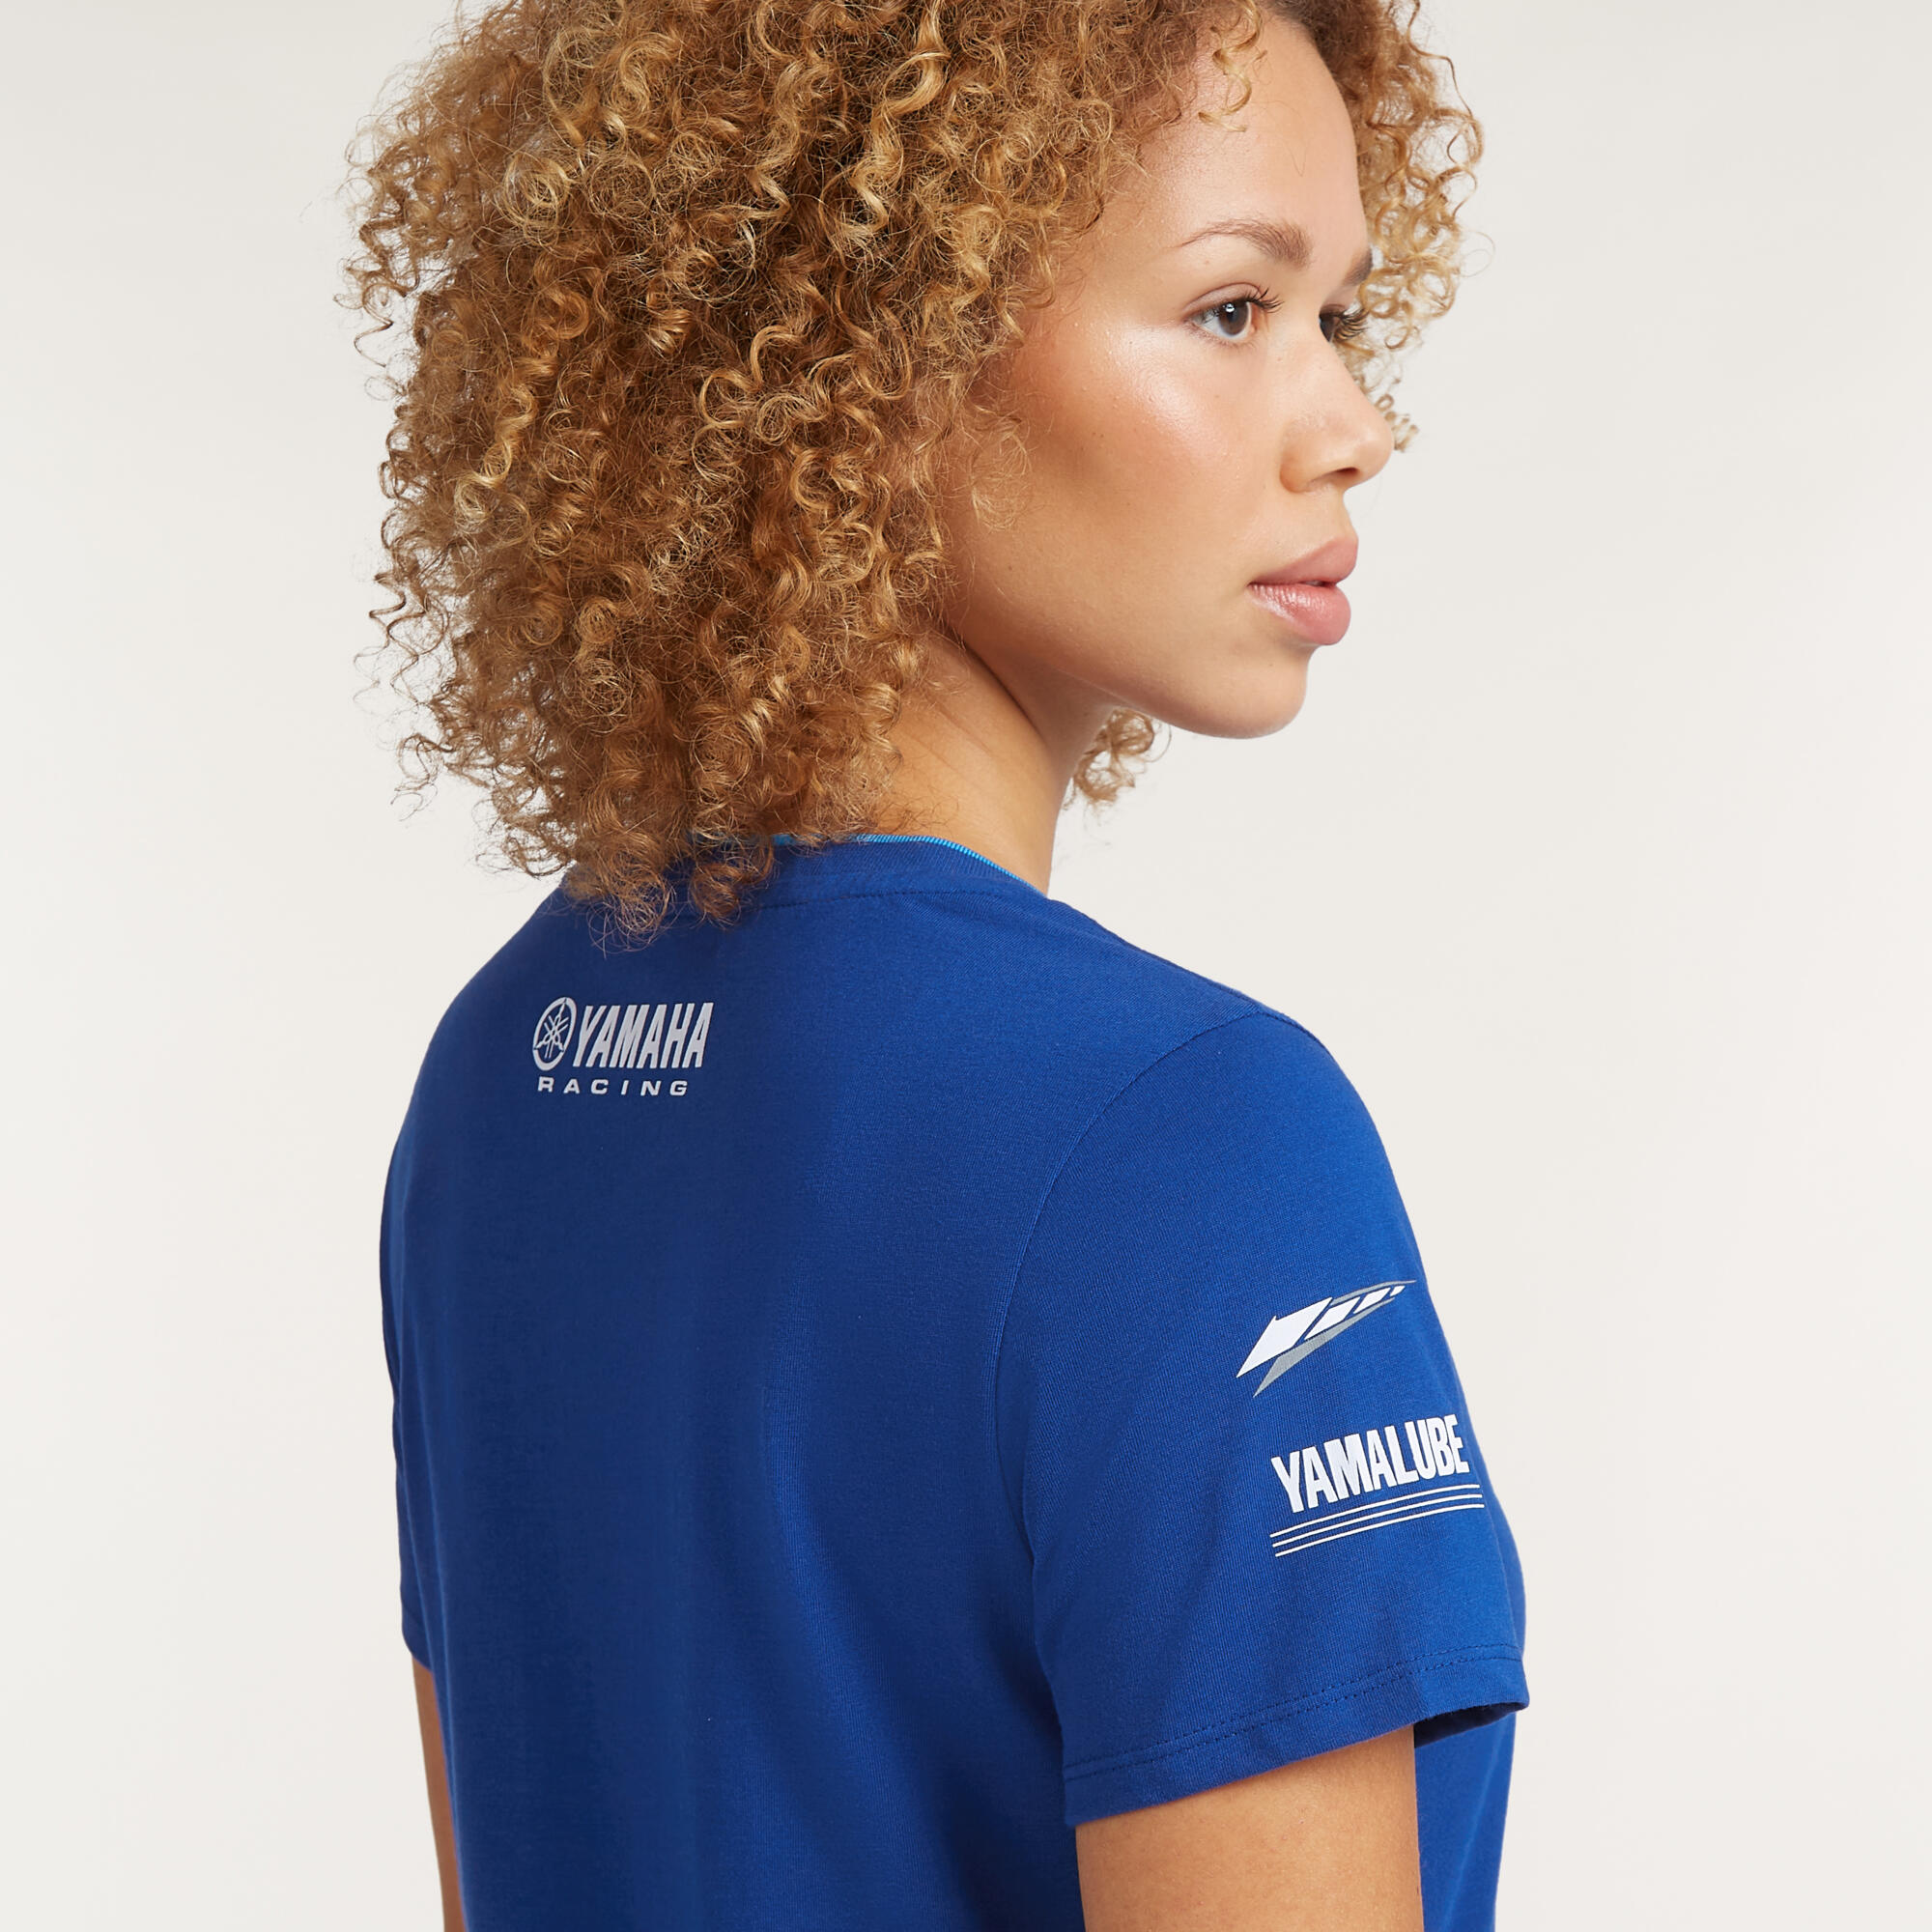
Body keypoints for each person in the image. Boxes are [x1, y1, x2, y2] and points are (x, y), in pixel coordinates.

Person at [348, 0, 1526, 1925]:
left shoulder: (498, 1074)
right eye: (1232, 310)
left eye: (1341, 318)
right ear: (878, 352)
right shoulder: (1188, 1140)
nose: (1351, 425)